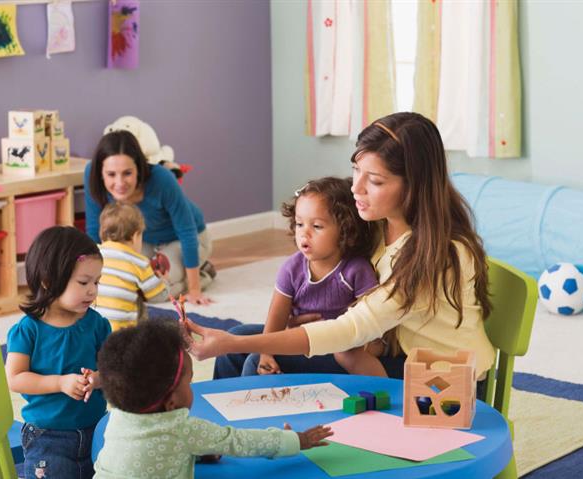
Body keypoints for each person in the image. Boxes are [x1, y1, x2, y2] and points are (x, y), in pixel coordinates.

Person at [188, 112, 495, 389]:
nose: (356, 188)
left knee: (256, 360)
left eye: (374, 180)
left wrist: (230, 342)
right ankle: (216, 439)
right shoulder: (376, 226)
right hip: (388, 350)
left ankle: (258, 446)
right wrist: (258, 336)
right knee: (241, 342)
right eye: (356, 171)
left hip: (439, 382)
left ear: (413, 186)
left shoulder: (437, 256)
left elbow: (351, 330)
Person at [93, 319, 333, 479]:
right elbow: (239, 441)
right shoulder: (182, 429)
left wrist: (197, 452)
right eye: (188, 383)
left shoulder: (118, 417)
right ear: (171, 403)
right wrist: (295, 440)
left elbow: (148, 451)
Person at [213, 177, 380, 379]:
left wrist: (264, 356)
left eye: (317, 226)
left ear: (346, 230)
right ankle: (218, 404)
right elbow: (276, 318)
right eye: (300, 224)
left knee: (255, 361)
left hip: (335, 349)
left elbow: (372, 326)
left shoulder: (356, 271)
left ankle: (248, 408)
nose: (304, 234)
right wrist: (267, 351)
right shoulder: (292, 268)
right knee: (235, 338)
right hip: (298, 336)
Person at [5, 226, 112, 479]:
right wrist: (60, 382)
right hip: (48, 437)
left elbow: (115, 369)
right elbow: (15, 378)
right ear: (49, 281)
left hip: (98, 430)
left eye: (96, 282)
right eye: (84, 282)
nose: (92, 290)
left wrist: (97, 379)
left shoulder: (97, 324)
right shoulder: (28, 330)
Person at [85, 130, 214, 305]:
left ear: (139, 168)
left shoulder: (162, 179)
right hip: (141, 241)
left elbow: (187, 231)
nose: (120, 183)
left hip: (186, 239)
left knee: (154, 287)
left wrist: (194, 290)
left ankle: (203, 274)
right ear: (101, 172)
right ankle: (189, 270)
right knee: (127, 282)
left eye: (127, 173)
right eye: (111, 174)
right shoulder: (91, 175)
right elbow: (94, 232)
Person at [95, 202, 169, 331]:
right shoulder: (139, 262)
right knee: (140, 304)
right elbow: (158, 297)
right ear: (135, 236)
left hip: (93, 330)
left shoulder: (94, 254)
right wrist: (164, 281)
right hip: (123, 335)